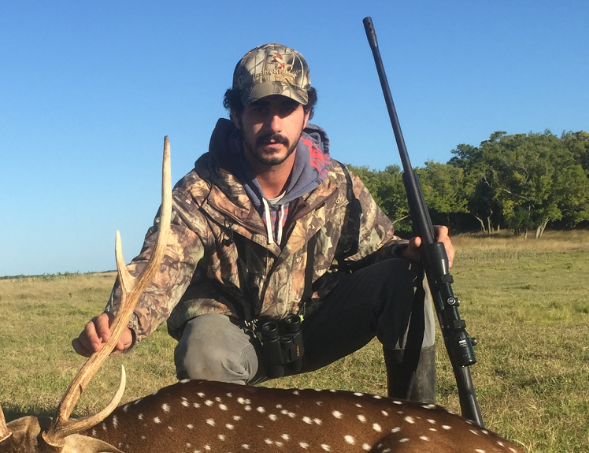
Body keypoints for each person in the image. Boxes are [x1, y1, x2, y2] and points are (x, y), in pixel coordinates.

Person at [73, 44, 455, 402]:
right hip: (234, 339)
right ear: (236, 116)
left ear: (306, 114)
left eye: (286, 108)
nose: (273, 124)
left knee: (407, 275)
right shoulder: (199, 191)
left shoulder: (339, 184)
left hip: (315, 327)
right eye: (258, 109)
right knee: (203, 351)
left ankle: (417, 423)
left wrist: (412, 250)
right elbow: (163, 265)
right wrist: (125, 321)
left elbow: (379, 247)